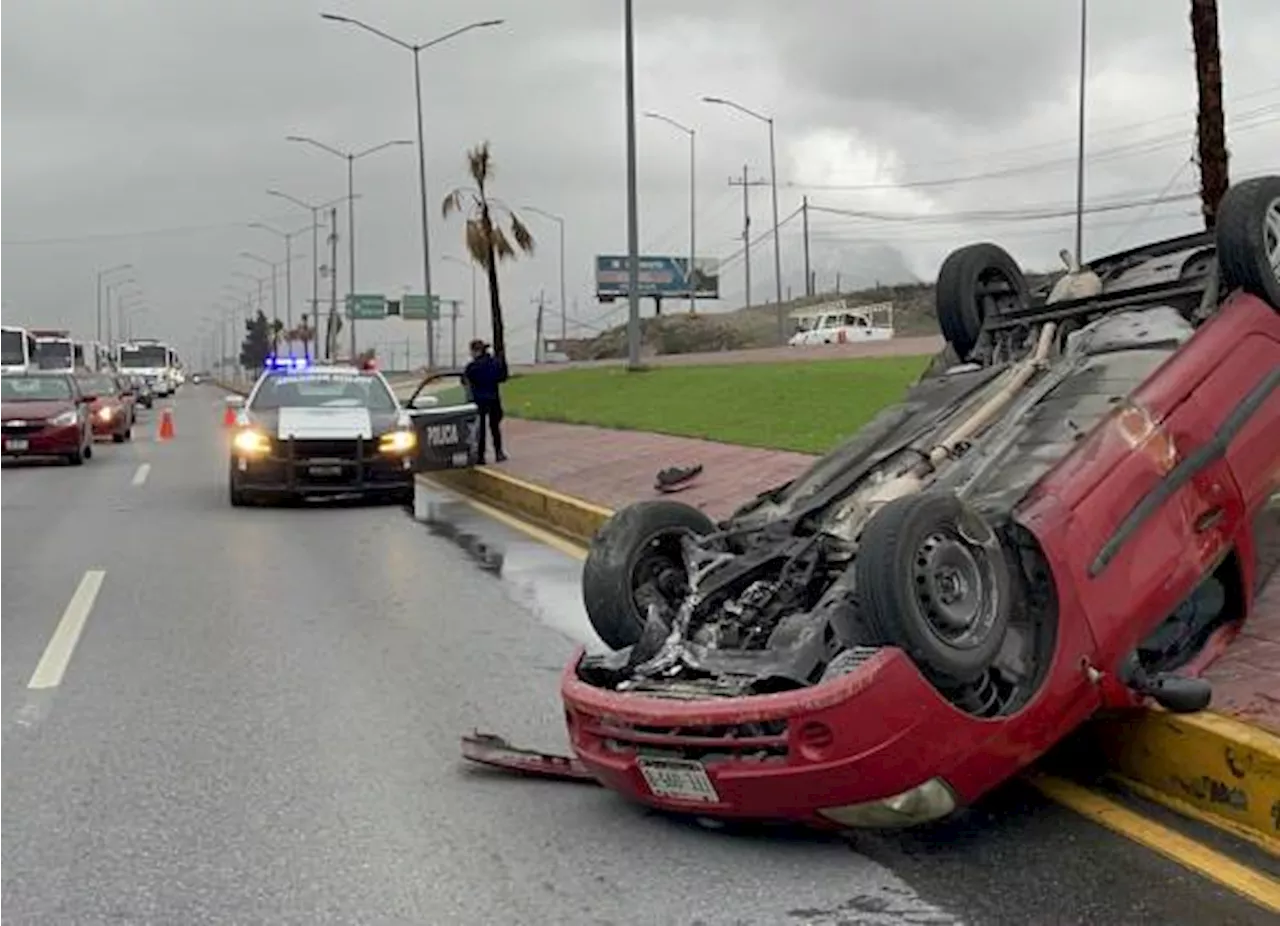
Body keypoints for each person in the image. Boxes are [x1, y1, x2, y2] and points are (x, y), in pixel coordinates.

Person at [462, 338, 509, 463]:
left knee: (480, 429)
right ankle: (499, 452)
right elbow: (502, 377)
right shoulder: (494, 363)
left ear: (475, 351)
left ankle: (481, 456)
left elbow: (464, 381)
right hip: (494, 398)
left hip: (479, 401)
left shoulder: (472, 367)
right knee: (495, 427)